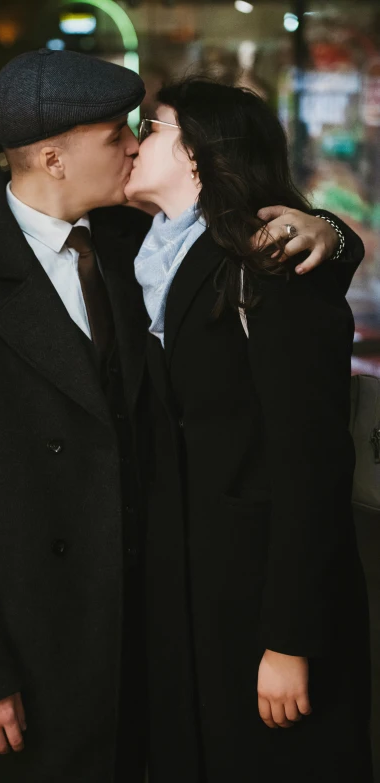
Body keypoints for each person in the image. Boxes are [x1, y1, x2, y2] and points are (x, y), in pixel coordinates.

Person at [0, 51, 364, 783]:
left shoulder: (130, 243)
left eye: (141, 128)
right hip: (40, 640)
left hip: (157, 624)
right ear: (52, 155)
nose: (135, 145)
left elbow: (245, 236)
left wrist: (329, 229)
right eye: (116, 134)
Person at [125, 78, 372, 783]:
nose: (135, 140)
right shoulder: (138, 255)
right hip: (185, 599)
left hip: (265, 600)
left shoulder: (270, 263)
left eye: (151, 125)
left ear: (203, 149)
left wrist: (291, 639)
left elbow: (311, 463)